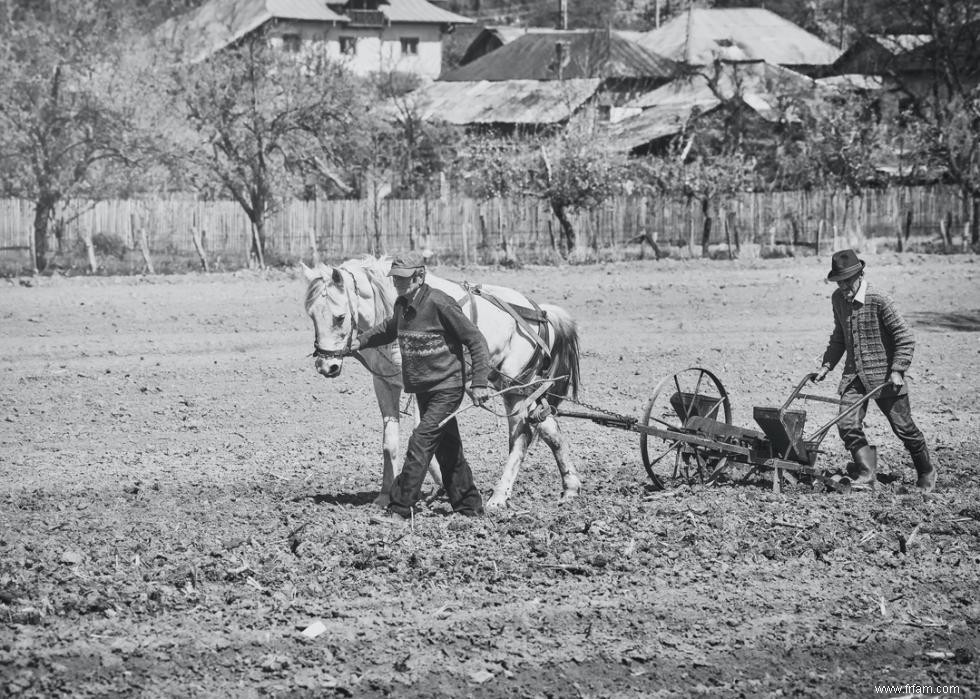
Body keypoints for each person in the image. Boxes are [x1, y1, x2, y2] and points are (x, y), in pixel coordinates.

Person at [352, 253, 492, 521]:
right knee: (448, 449)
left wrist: (480, 382)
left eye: (404, 280)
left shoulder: (439, 303)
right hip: (424, 390)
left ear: (420, 276)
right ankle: (469, 506)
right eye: (396, 280)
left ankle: (399, 508)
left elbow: (475, 339)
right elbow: (388, 329)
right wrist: (360, 342)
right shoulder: (402, 305)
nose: (399, 285)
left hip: (447, 388)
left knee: (420, 441)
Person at [815, 249, 936, 492]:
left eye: (848, 281)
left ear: (860, 275)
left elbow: (904, 337)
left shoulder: (879, 299)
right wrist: (826, 365)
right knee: (847, 423)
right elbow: (839, 337)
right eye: (839, 282)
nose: (844, 287)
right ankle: (867, 474)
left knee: (904, 428)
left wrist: (897, 369)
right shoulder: (838, 300)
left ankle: (926, 470)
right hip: (854, 375)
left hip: (885, 376)